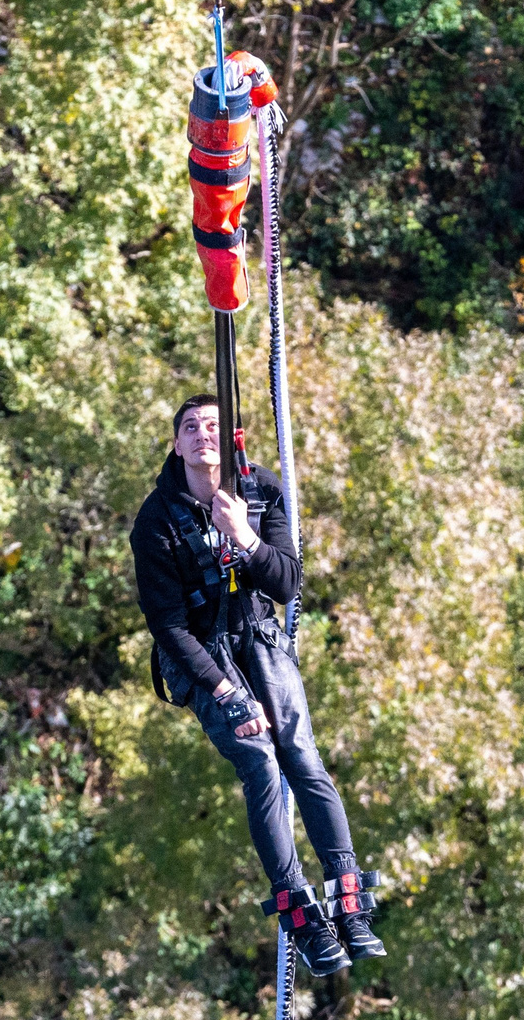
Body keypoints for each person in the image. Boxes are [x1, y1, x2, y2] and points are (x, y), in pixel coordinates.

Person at [130, 394, 383, 976]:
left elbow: (287, 582)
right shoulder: (156, 520)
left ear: (232, 438)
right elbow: (167, 626)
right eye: (190, 427)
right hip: (203, 656)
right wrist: (226, 694)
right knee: (262, 762)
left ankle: (349, 900)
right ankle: (300, 912)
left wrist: (244, 535)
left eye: (213, 425)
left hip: (259, 638)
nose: (203, 434)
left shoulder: (261, 489)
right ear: (176, 445)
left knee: (302, 756)